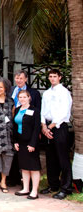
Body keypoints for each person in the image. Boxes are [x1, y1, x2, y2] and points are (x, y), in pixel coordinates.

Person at [40, 69, 73, 200]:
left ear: (60, 77)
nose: (52, 78)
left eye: (55, 76)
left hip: (59, 127)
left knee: (63, 158)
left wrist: (50, 126)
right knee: (51, 158)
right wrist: (43, 126)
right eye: (50, 76)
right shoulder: (47, 93)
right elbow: (43, 110)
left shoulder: (64, 92)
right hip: (47, 127)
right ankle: (53, 185)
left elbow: (64, 112)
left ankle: (66, 188)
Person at [13, 90, 41, 200]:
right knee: (24, 167)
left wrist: (32, 143)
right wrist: (15, 141)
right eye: (20, 97)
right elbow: (15, 127)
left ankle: (34, 191)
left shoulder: (34, 110)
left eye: (24, 97)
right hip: (21, 142)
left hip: (31, 142)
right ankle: (25, 188)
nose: (22, 99)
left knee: (33, 167)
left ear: (29, 98)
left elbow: (36, 128)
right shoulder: (16, 110)